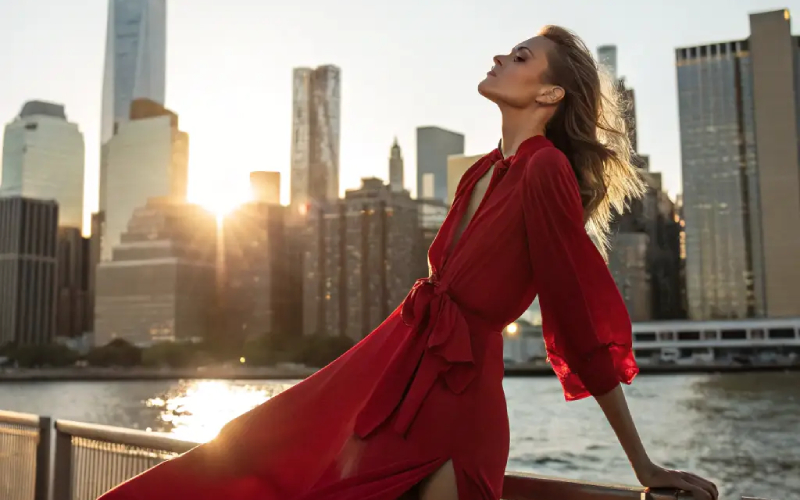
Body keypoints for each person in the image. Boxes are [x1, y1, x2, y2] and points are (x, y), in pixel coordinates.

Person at [98, 25, 718, 500]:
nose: (500, 57)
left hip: (459, 408)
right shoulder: (480, 172)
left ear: (550, 92)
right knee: (252, 451)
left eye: (520, 57)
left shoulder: (545, 169)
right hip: (400, 391)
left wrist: (642, 464)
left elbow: (574, 316)